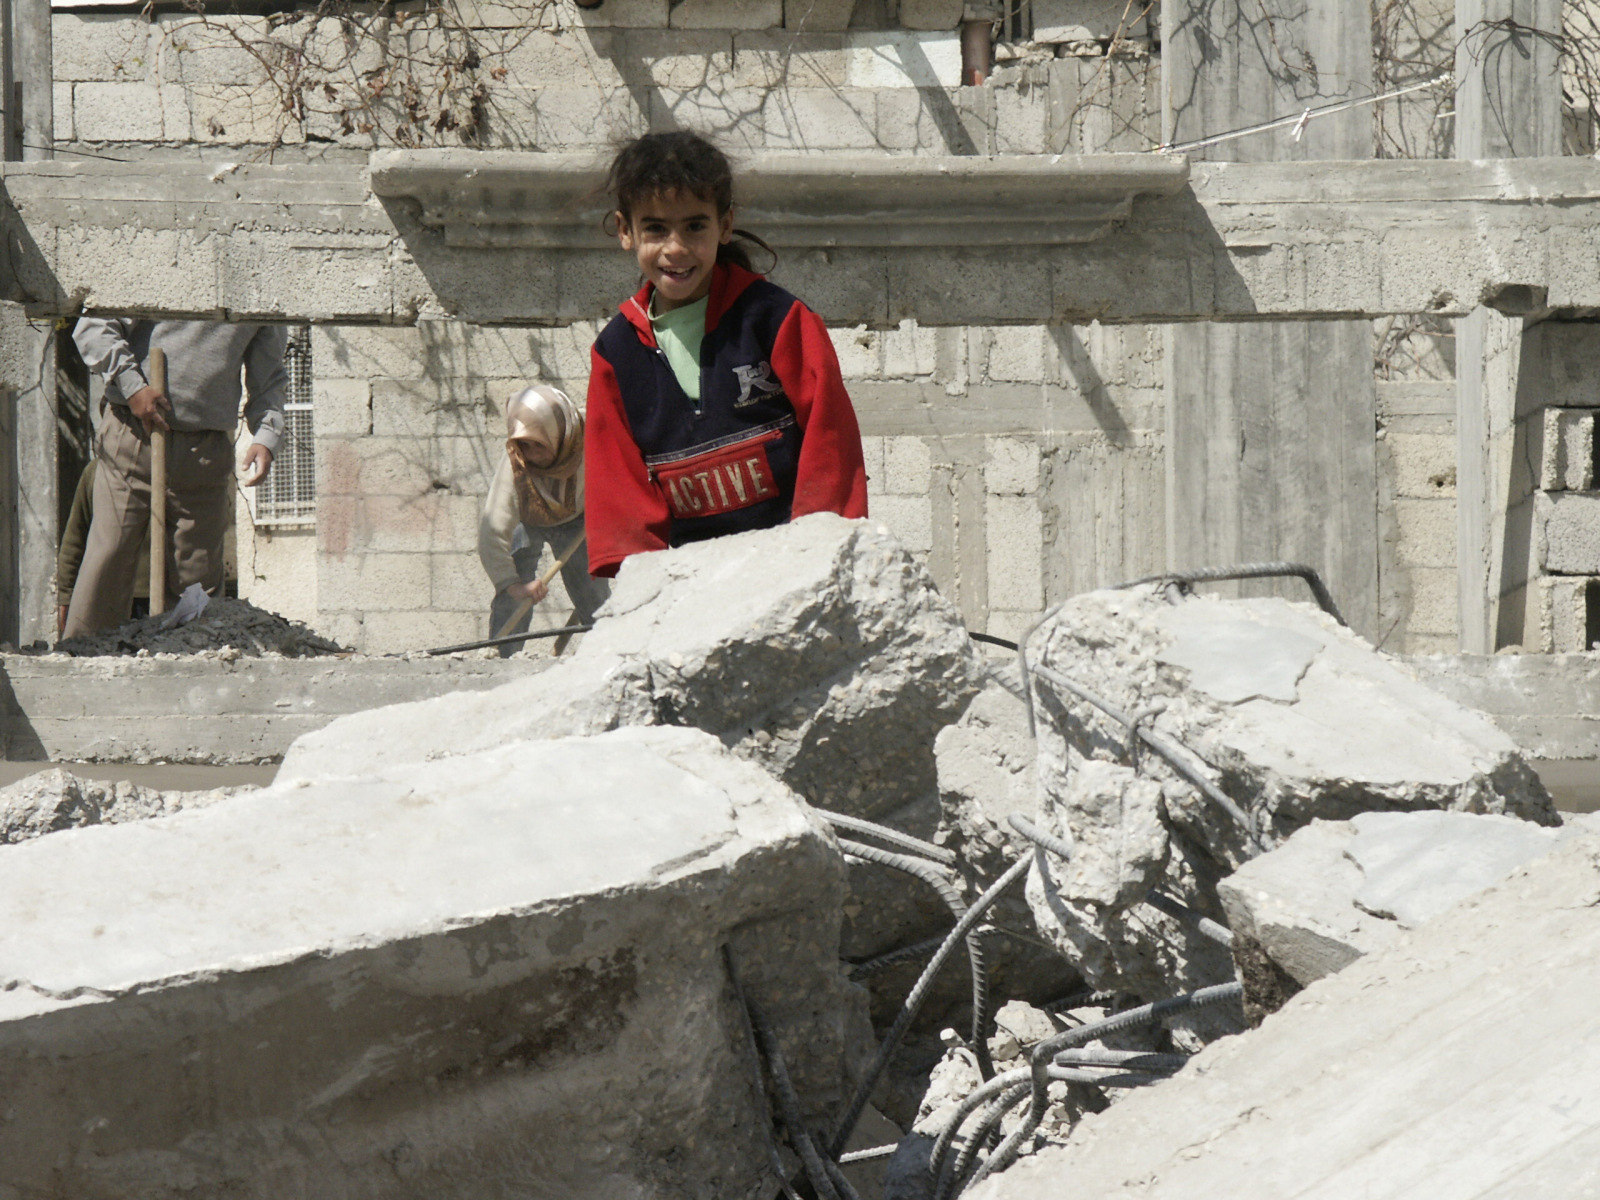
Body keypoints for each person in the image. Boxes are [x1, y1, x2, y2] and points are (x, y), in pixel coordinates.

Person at [583, 131, 868, 579]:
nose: (675, 248)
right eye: (655, 228)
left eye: (695, 226)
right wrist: (643, 584)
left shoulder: (775, 319)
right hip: (694, 578)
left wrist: (818, 553)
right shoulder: (616, 354)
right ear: (625, 231)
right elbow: (618, 484)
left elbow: (829, 436)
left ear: (725, 224)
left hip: (793, 561)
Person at [63, 320, 287, 640]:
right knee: (108, 562)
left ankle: (190, 662)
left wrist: (266, 435)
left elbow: (270, 374)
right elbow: (94, 328)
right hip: (133, 433)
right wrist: (133, 387)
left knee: (197, 586)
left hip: (204, 449)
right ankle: (85, 657)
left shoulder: (258, 297)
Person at [478, 384, 610, 657]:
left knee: (593, 597)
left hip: (579, 522)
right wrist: (512, 585)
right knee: (513, 596)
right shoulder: (516, 463)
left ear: (558, 435)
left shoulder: (593, 436)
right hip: (528, 519)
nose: (531, 454)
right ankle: (502, 660)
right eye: (524, 445)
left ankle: (607, 656)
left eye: (539, 445)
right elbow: (492, 531)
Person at [55, 460, 151, 635]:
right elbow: (76, 537)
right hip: (109, 595)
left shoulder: (179, 468)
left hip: (162, 598)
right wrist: (66, 595)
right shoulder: (99, 470)